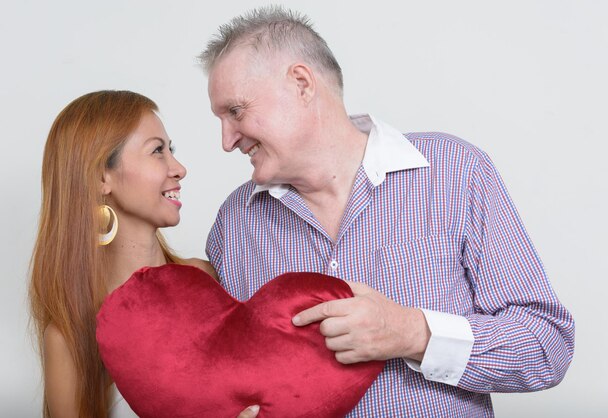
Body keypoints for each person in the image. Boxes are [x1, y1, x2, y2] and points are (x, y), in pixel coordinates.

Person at [199, 6, 575, 417]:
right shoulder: (233, 225)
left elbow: (548, 345)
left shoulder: (455, 171)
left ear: (302, 83)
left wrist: (411, 333)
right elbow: (230, 377)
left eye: (235, 111)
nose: (227, 140)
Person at [29, 91, 260, 418]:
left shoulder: (207, 281)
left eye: (172, 150)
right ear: (101, 177)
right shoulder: (70, 335)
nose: (179, 169)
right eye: (157, 151)